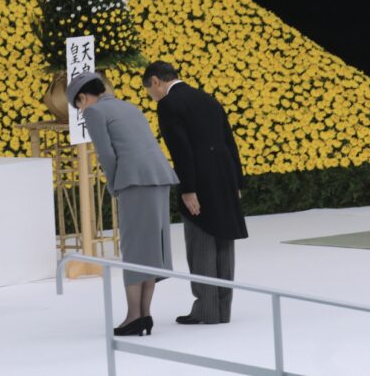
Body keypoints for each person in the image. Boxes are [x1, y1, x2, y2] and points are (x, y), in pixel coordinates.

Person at [66, 70, 179, 337]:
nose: (81, 112)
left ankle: (133, 316)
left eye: (78, 106)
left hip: (134, 181)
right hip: (159, 177)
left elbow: (107, 154)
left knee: (134, 246)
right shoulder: (128, 106)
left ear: (83, 97)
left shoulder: (94, 113)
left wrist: (115, 185)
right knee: (152, 247)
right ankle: (144, 315)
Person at [142, 61, 248, 325]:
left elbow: (181, 150)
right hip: (223, 174)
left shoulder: (168, 104)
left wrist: (188, 188)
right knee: (224, 239)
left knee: (200, 241)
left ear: (156, 81)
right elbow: (228, 141)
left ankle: (206, 310)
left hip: (199, 178)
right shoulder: (207, 98)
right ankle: (223, 311)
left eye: (149, 89)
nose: (151, 95)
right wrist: (237, 182)